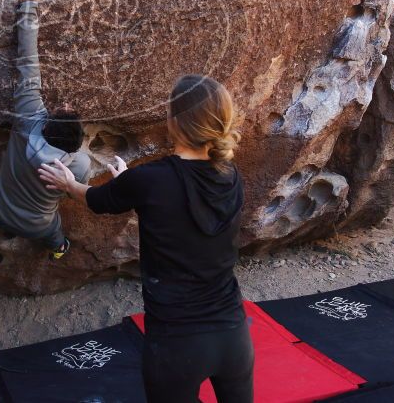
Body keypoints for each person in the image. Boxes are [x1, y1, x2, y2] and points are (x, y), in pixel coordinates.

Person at [38, 75, 254, 403]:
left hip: (176, 344)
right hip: (234, 336)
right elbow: (174, 205)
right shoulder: (229, 176)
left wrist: (69, 184)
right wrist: (130, 183)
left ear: (175, 123)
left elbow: (96, 199)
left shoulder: (150, 180)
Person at [0, 0, 91, 260]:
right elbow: (75, 192)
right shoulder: (79, 163)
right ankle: (59, 249)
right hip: (39, 225)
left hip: (0, 210)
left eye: (63, 110)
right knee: (54, 232)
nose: (65, 103)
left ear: (47, 124)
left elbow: (28, 62)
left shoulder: (28, 120)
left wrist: (28, 4)